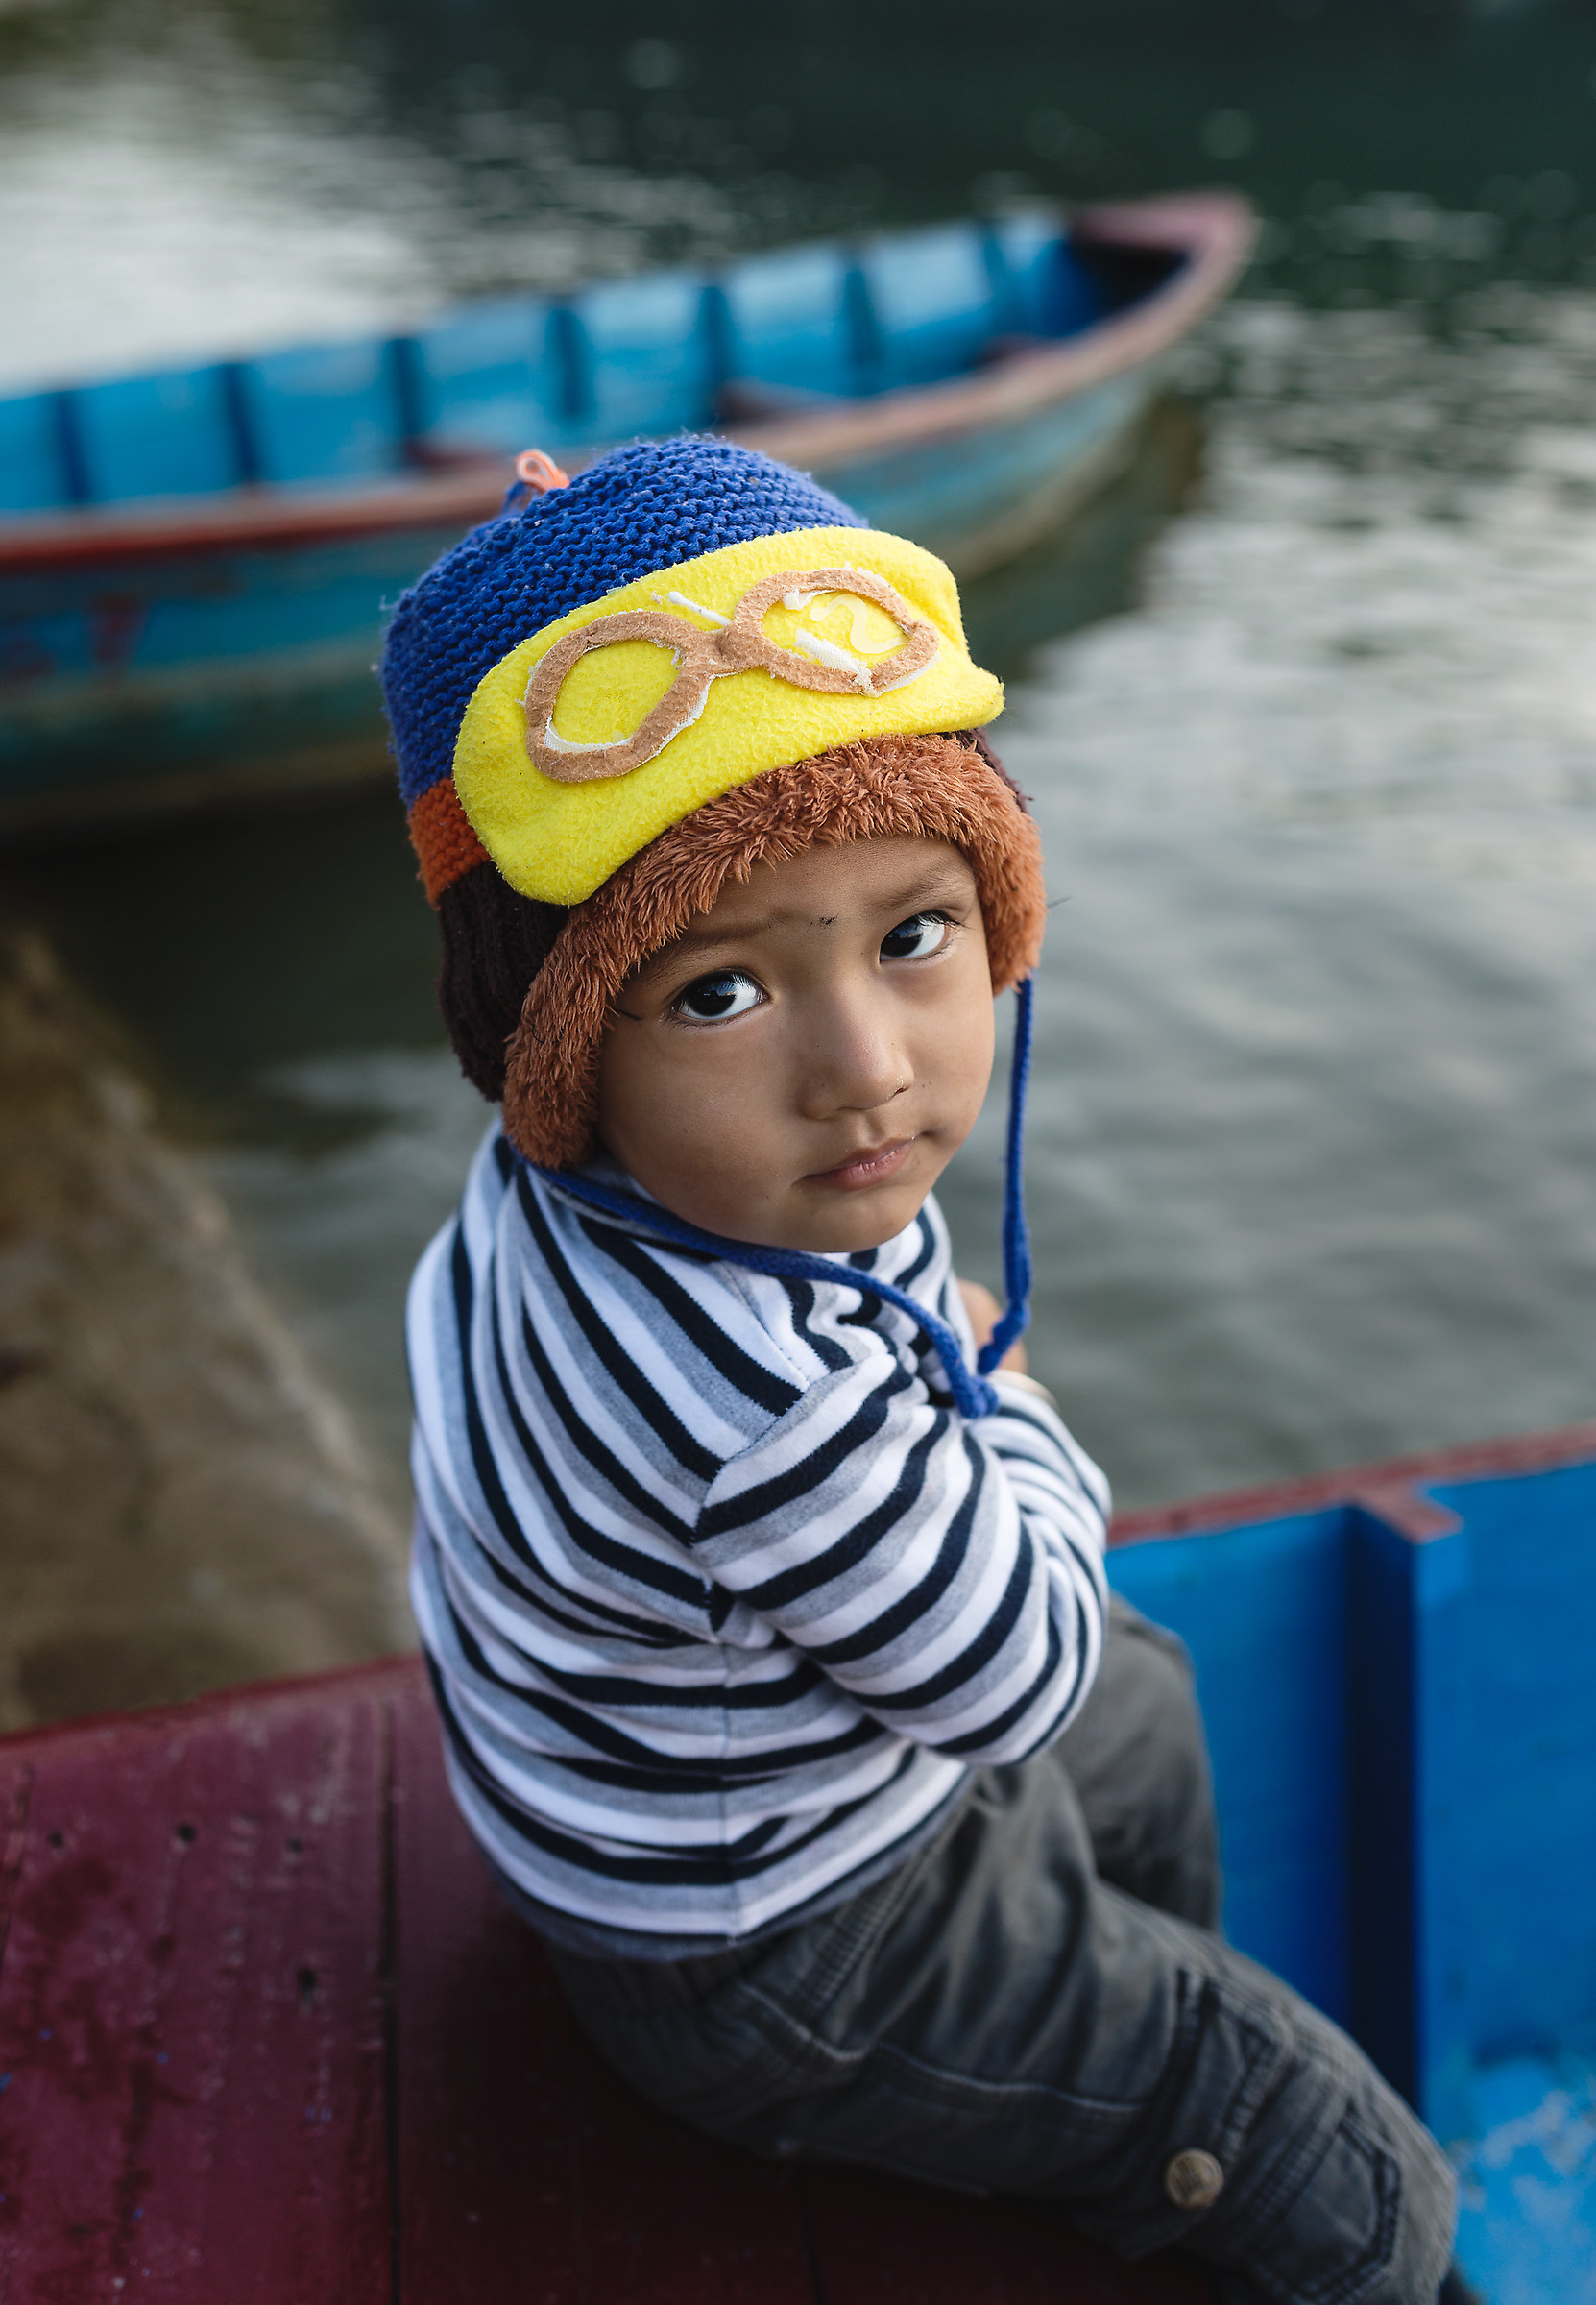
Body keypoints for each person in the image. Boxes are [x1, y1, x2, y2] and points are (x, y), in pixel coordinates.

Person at [380, 436, 1461, 2304]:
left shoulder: (592, 1186)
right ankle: (1160, 2107)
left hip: (702, 1803)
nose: (866, 1066)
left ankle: (1100, 2063)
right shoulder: (764, 1410)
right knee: (1327, 2145)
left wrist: (942, 1391)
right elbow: (1021, 1675)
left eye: (915, 936)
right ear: (561, 1041)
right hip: (763, 1953)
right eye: (719, 990)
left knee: (1157, 1701)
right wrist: (1003, 1394)